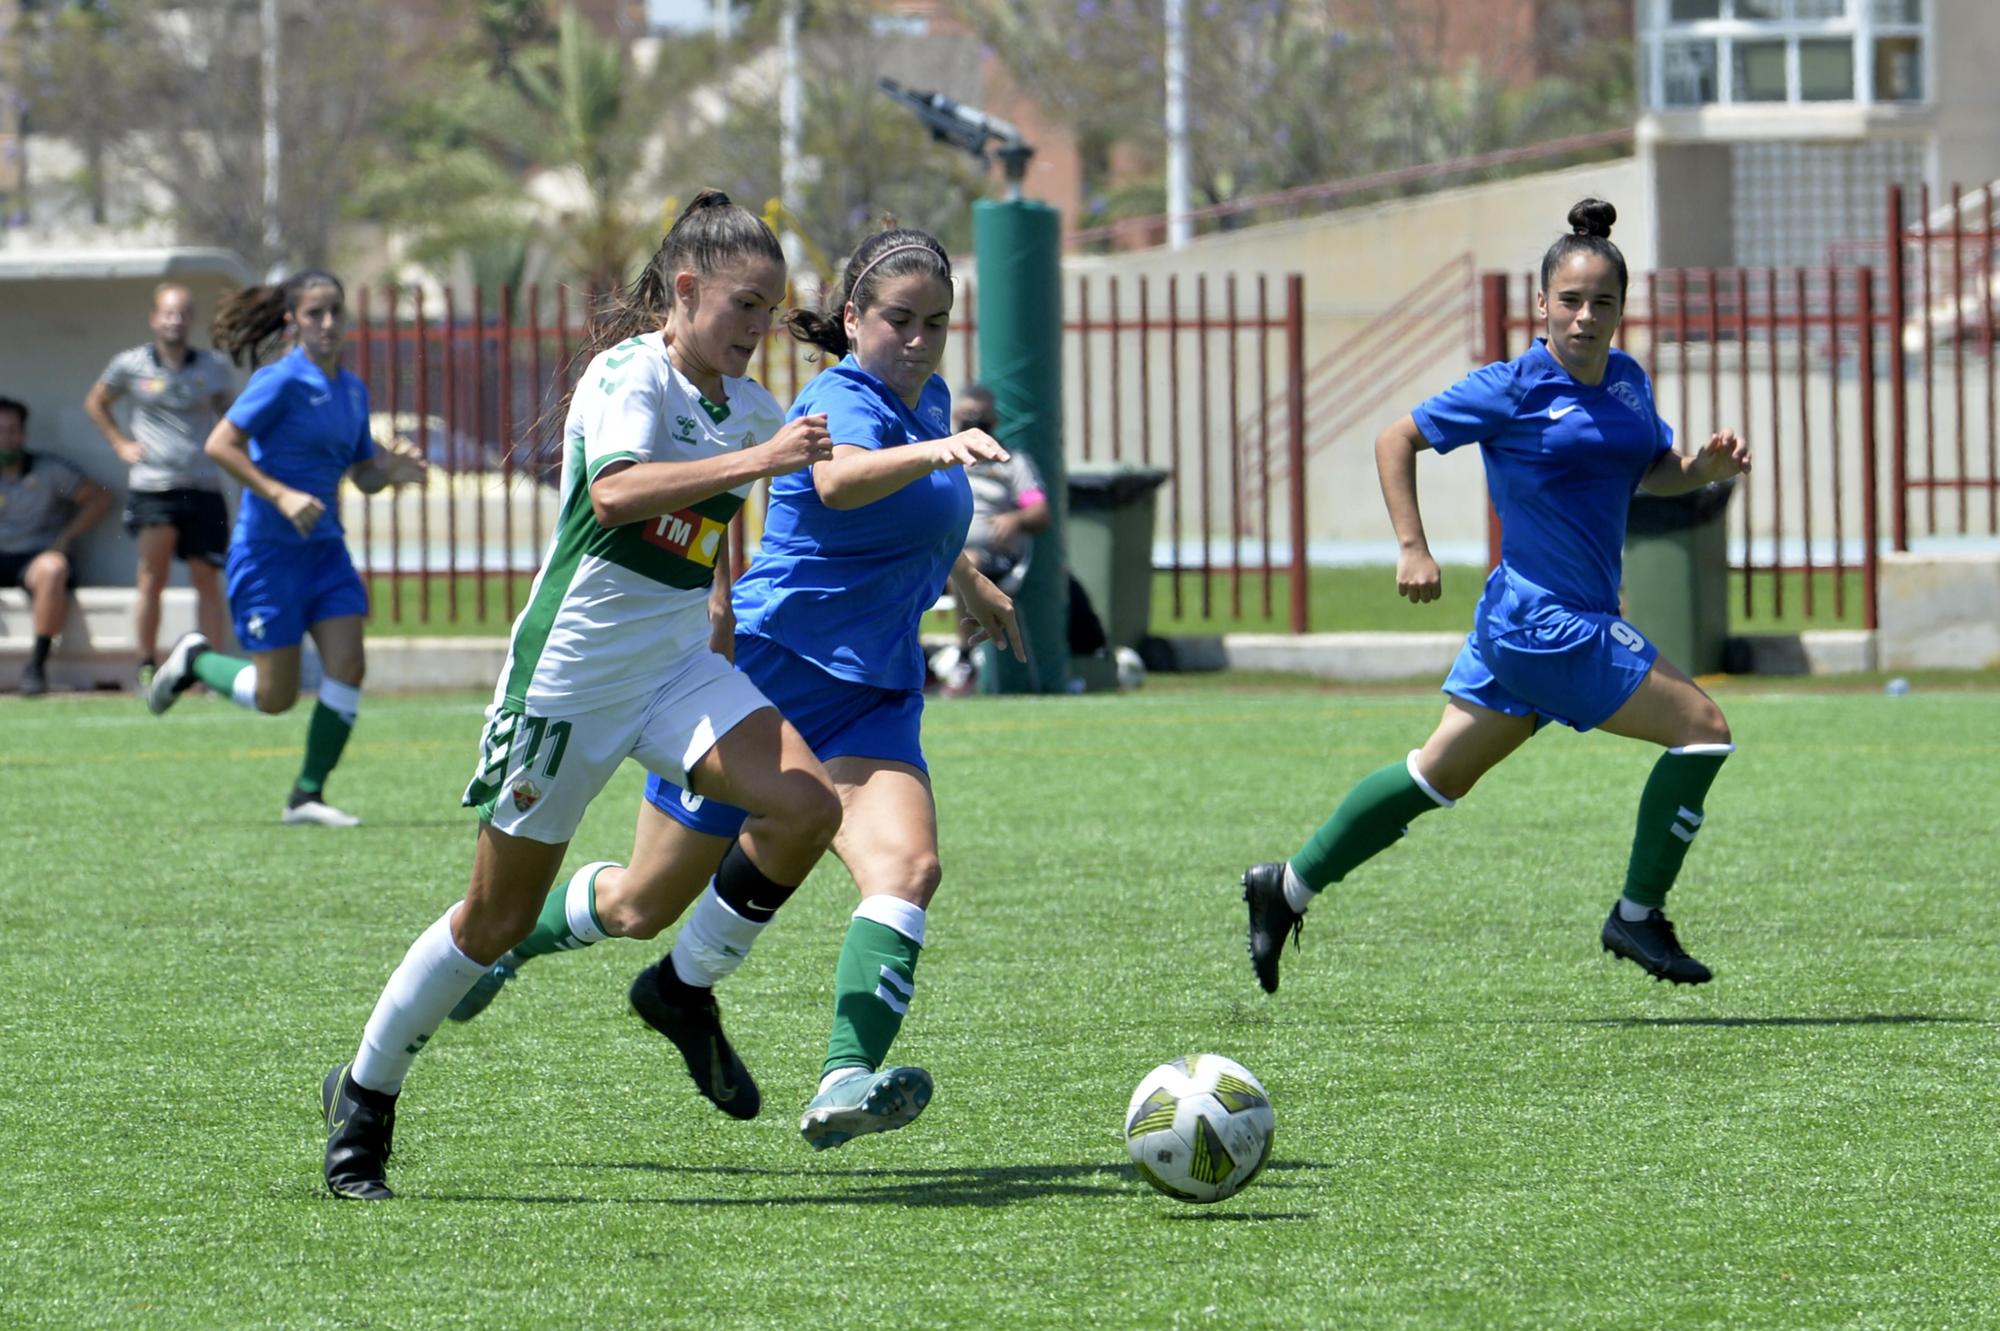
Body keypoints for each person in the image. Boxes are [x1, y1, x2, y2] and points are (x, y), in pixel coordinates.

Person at [318, 191, 846, 1201]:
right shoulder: (627, 375)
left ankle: (682, 989)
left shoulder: (752, 406)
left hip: (674, 669)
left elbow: (718, 506)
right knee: (493, 919)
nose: (756, 329)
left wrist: (722, 594)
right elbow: (617, 492)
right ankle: (367, 1091)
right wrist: (758, 461)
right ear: (684, 290)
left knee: (806, 806)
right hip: (569, 676)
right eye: (743, 305)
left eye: (770, 310)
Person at [450, 226, 1024, 1154]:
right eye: (898, 321)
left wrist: (964, 575)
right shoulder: (836, 396)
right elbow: (840, 484)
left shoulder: (932, 401)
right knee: (641, 904)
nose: (918, 341)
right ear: (852, 319)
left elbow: (902, 512)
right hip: (767, 673)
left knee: (907, 869)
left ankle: (844, 1078)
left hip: (874, 689)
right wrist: (945, 451)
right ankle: (527, 943)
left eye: (937, 323)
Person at [1241, 198, 1751, 994]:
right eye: (1571, 300)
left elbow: (1648, 469)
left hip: (1534, 619)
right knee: (1703, 730)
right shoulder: (1510, 387)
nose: (1585, 316)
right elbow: (1395, 438)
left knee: (1433, 774)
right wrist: (1413, 546)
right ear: (1541, 304)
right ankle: (1639, 914)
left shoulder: (1625, 381)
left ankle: (1287, 886)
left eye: (1603, 302)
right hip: (1546, 621)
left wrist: (1698, 473)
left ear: (1622, 311)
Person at [141, 270, 427, 826]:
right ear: (293, 320)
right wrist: (281, 493)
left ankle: (306, 795)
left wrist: (392, 470)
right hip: (269, 553)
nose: (327, 323)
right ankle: (195, 660)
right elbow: (220, 444)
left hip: (325, 552)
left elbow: (362, 474)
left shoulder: (351, 388)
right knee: (277, 697)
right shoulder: (280, 380)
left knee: (349, 664)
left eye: (335, 312)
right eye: (315, 313)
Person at [84, 283, 237, 685]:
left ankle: (212, 672)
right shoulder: (130, 364)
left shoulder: (213, 367)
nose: (175, 320)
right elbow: (96, 401)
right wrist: (120, 443)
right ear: (154, 317)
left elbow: (233, 415)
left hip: (204, 486)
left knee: (207, 577)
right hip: (154, 487)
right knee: (153, 576)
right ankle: (146, 664)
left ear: (192, 320)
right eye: (168, 313)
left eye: (184, 313)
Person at [0, 397, 115, 696]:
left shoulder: (49, 470)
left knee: (54, 568)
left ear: (23, 435)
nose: (5, 439)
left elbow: (101, 498)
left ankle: (36, 666)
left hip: (33, 559)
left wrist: (65, 538)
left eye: (11, 431)